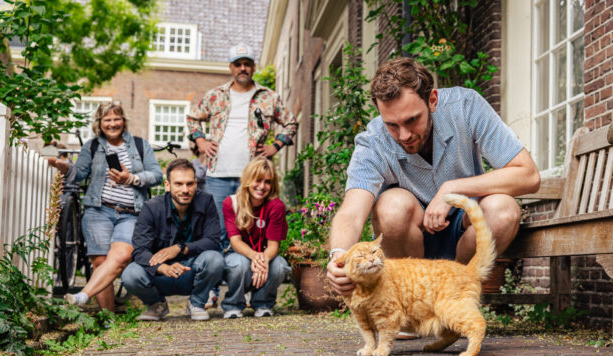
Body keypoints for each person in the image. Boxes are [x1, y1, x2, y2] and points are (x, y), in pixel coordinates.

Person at [326, 57, 540, 299]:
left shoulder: (465, 106)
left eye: (411, 120)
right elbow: (352, 212)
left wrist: (453, 189)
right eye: (392, 125)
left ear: (433, 100)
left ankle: (451, 297)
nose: (404, 135)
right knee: (391, 206)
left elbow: (528, 174)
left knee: (503, 210)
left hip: (464, 232)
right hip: (407, 244)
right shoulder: (373, 141)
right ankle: (410, 301)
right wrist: (338, 255)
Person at [48, 102, 163, 311]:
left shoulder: (139, 145)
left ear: (124, 121)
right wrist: (65, 167)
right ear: (99, 124)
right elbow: (79, 174)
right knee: (100, 262)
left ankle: (84, 296)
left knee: (121, 256)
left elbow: (157, 175)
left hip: (131, 213)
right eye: (107, 120)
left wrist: (132, 178)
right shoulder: (92, 146)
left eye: (116, 119)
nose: (112, 124)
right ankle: (107, 319)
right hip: (98, 211)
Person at [186, 43, 298, 252]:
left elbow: (291, 122)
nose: (243, 68)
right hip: (217, 174)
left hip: (252, 178)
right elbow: (193, 117)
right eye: (238, 64)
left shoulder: (268, 97)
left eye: (247, 64)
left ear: (254, 67)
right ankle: (214, 283)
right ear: (231, 68)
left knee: (249, 231)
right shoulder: (215, 95)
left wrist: (275, 146)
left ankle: (247, 278)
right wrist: (200, 141)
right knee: (216, 230)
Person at [120, 158, 225, 321]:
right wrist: (162, 268)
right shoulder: (151, 207)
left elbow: (213, 240)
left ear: (196, 184)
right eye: (179, 184)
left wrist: (179, 248)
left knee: (215, 259)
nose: (185, 189)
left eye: (190, 184)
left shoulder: (206, 201)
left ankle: (196, 303)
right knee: (130, 274)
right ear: (167, 185)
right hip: (161, 274)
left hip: (192, 270)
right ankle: (156, 304)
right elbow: (140, 251)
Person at [219, 156, 289, 319]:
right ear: (248, 179)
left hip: (266, 254)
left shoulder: (276, 206)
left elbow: (273, 246)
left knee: (279, 265)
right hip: (240, 254)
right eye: (258, 180)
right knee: (239, 264)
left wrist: (263, 261)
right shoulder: (231, 203)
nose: (262, 186)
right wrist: (256, 258)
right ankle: (233, 304)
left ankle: (263, 303)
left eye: (267, 182)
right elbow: (235, 241)